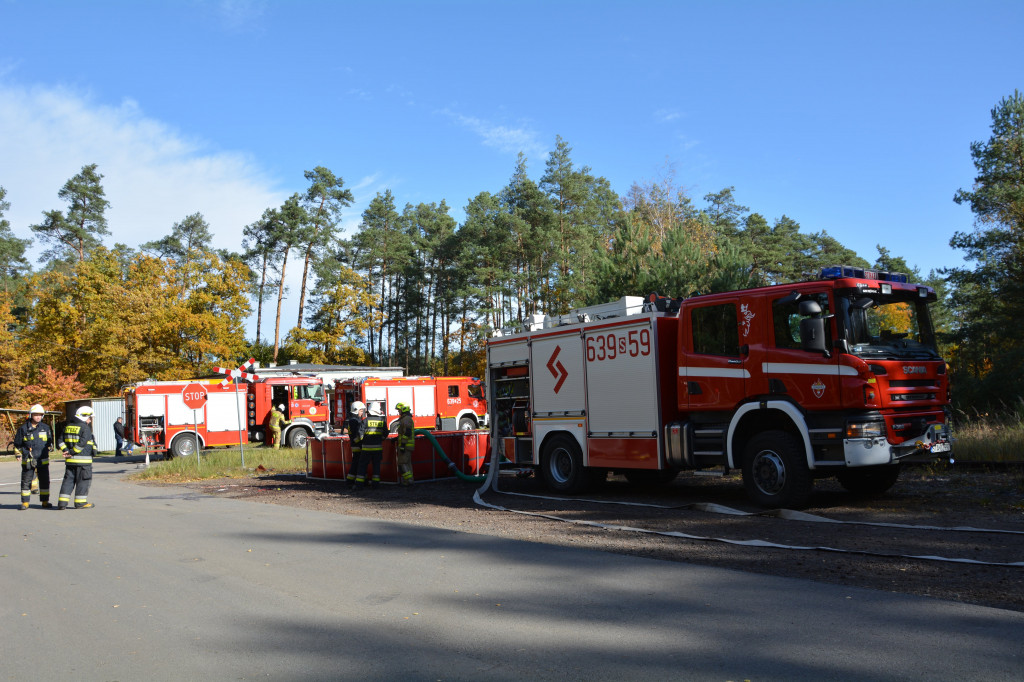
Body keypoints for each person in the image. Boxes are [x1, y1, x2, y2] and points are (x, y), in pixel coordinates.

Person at [57, 406, 97, 509]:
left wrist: (66, 450)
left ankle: (62, 503)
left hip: (70, 462)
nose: (90, 420)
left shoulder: (67, 426)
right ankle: (80, 503)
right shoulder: (85, 428)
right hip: (83, 462)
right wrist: (71, 452)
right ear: (84, 416)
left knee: (68, 481)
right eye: (89, 418)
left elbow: (60, 441)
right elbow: (82, 443)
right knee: (83, 481)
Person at [14, 404, 53, 509]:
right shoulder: (23, 429)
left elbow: (49, 442)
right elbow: (17, 444)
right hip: (28, 459)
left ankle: (45, 501)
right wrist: (19, 454)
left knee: (45, 481)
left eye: (40, 415)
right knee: (26, 481)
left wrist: (50, 447)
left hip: (42, 459)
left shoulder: (45, 428)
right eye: (36, 415)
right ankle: (25, 502)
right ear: (31, 415)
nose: (38, 417)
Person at [354, 402, 386, 489]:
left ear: (370, 411)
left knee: (362, 466)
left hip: (366, 449)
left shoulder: (365, 421)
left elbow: (360, 434)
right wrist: (380, 439)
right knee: (376, 466)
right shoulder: (382, 421)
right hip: (378, 449)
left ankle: (359, 485)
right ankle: (375, 485)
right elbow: (386, 433)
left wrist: (360, 441)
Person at [344, 401, 366, 489]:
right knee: (357, 463)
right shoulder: (355, 420)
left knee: (356, 463)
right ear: (356, 410)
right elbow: (357, 434)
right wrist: (362, 441)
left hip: (355, 444)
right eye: (361, 410)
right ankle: (351, 481)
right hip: (357, 445)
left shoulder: (353, 419)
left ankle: (351, 480)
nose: (362, 412)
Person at [394, 402, 415, 487]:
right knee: (407, 464)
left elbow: (407, 433)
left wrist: (402, 445)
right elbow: (403, 432)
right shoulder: (405, 418)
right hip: (406, 445)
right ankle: (409, 480)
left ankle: (408, 480)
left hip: (405, 446)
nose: (398, 411)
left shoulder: (406, 419)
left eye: (399, 410)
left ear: (403, 409)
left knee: (402, 463)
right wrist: (396, 439)